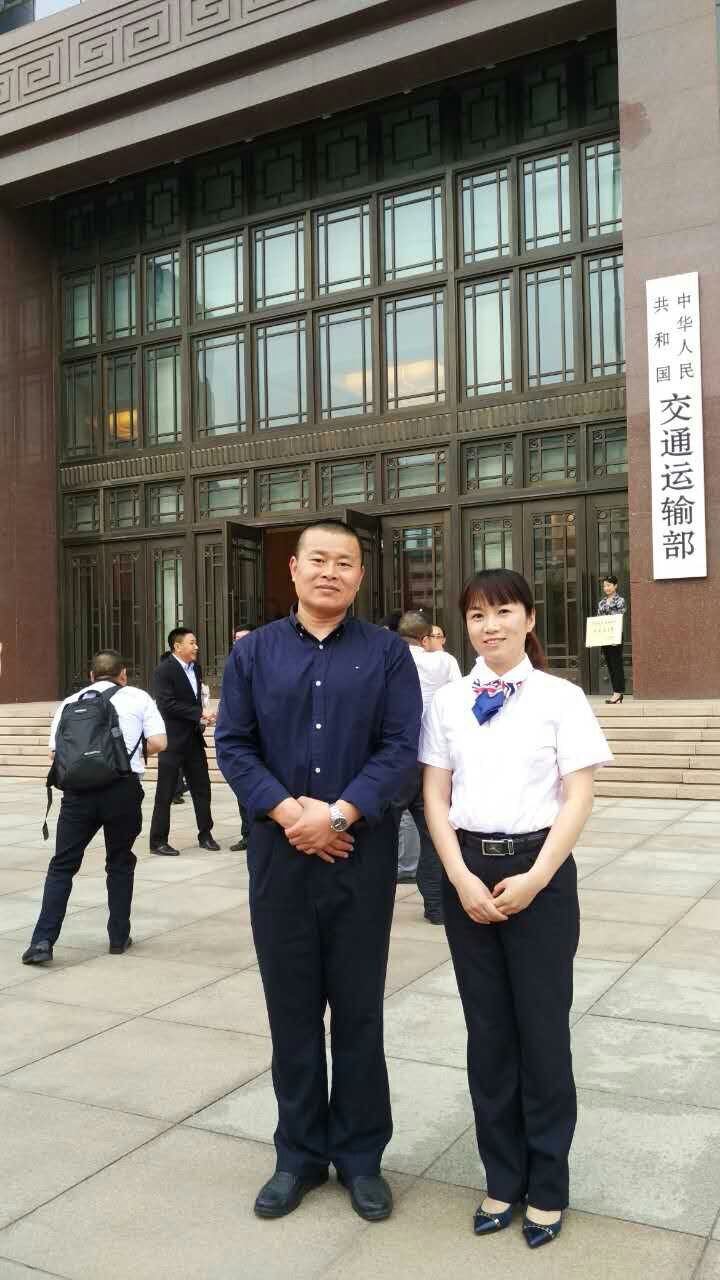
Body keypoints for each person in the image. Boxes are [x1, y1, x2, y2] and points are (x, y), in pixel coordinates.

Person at [215, 519, 421, 1224]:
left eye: (345, 562)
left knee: (358, 1012)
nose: (330, 572)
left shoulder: (388, 654)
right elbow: (233, 745)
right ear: (295, 571)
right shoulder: (253, 654)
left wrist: (335, 816)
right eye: (319, 560)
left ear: (360, 576)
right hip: (280, 861)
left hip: (359, 858)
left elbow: (400, 748)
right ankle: (298, 1155)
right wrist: (289, 814)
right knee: (292, 1011)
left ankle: (361, 1157)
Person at [421, 569, 611, 1249]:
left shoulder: (562, 697)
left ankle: (549, 1186)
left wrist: (536, 877)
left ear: (529, 619)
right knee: (489, 1034)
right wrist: (458, 878)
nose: (489, 625)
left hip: (541, 874)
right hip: (469, 872)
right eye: (476, 614)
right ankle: (502, 1177)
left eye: (503, 611)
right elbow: (435, 795)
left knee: (543, 1032)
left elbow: (578, 795)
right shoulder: (447, 701)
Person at [21, 650, 166, 964]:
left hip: (77, 795)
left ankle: (42, 941)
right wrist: (125, 753)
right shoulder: (139, 698)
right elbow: (159, 742)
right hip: (122, 790)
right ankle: (118, 937)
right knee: (119, 862)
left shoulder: (70, 703)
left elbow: (54, 754)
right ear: (123, 674)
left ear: (91, 676)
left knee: (62, 866)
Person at [394, 611, 462, 922]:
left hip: (393, 758)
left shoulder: (387, 658)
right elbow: (460, 701)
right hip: (431, 758)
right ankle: (436, 906)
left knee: (380, 837)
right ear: (424, 639)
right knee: (434, 835)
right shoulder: (444, 661)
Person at [149, 628, 220, 856]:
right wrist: (198, 713)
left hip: (193, 739)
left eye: (195, 642)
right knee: (166, 792)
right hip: (172, 740)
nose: (196, 647)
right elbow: (166, 704)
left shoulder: (195, 668)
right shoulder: (164, 670)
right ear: (177, 646)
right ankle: (158, 841)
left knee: (202, 788)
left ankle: (205, 834)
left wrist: (201, 716)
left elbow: (195, 698)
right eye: (192, 642)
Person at [228, 625, 254, 852]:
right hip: (242, 738)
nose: (240, 643)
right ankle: (247, 835)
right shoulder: (234, 663)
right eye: (237, 639)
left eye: (244, 638)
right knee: (243, 791)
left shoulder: (266, 662)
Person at [597, 575, 626, 705]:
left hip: (615, 636)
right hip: (605, 636)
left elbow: (618, 617)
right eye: (604, 586)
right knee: (610, 665)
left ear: (615, 586)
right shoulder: (601, 602)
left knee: (616, 664)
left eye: (609, 585)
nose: (606, 588)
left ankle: (618, 693)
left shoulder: (620, 600)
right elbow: (599, 619)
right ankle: (616, 693)